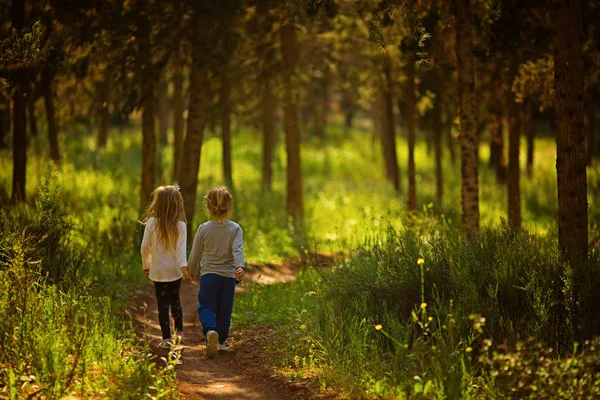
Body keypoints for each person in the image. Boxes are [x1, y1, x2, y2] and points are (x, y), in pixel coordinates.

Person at [188, 186, 245, 358]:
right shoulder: (235, 229)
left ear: (208, 205)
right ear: (230, 205)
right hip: (228, 277)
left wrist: (191, 270)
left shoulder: (203, 228)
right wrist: (239, 267)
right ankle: (221, 342)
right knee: (224, 310)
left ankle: (211, 330)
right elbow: (237, 250)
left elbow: (195, 253)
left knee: (205, 306)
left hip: (209, 276)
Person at [141, 185, 194, 350]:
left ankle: (166, 338)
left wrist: (146, 264)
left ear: (158, 203)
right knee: (175, 300)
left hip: (157, 272)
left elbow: (144, 247)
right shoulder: (180, 226)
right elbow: (180, 252)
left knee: (162, 304)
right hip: (174, 272)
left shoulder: (151, 223)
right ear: (177, 204)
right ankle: (179, 334)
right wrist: (184, 268)